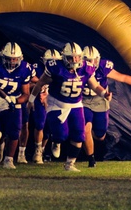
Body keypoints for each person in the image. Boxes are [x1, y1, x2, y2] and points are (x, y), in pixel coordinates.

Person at [28, 43, 111, 172]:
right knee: (61, 135)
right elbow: (40, 83)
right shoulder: (56, 67)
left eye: (77, 57)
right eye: (71, 58)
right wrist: (31, 100)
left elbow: (95, 86)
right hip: (57, 103)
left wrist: (104, 93)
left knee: (79, 135)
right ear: (64, 57)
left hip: (76, 104)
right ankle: (56, 141)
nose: (75, 61)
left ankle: (70, 164)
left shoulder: (86, 68)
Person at [81, 46, 131, 167]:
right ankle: (91, 158)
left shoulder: (103, 66)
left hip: (101, 100)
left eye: (94, 60)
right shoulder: (78, 67)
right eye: (88, 60)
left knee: (100, 135)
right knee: (86, 129)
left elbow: (122, 77)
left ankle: (95, 140)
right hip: (83, 99)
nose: (92, 63)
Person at [0, 42, 32, 169]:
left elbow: (26, 93)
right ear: (2, 57)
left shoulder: (24, 68)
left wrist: (15, 101)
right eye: (9, 58)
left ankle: (8, 159)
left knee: (15, 131)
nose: (12, 62)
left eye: (15, 59)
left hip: (13, 100)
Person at [29, 49, 62, 164]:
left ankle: (51, 144)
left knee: (50, 128)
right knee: (39, 124)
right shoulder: (36, 68)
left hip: (55, 100)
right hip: (39, 100)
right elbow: (26, 83)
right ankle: (38, 151)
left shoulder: (62, 69)